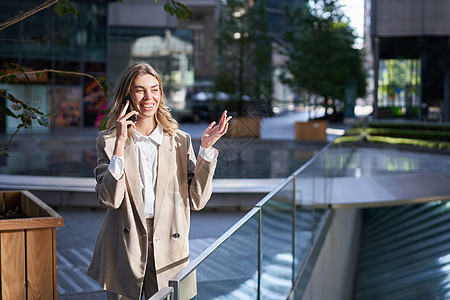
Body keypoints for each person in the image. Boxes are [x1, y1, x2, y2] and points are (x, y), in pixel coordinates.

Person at [87, 62, 231, 300]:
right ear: (128, 96)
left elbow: (197, 200)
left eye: (154, 89)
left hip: (169, 241)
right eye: (140, 90)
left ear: (161, 94)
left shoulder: (180, 141)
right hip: (125, 243)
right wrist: (120, 146)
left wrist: (205, 150)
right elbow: (110, 199)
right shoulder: (109, 140)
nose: (148, 97)